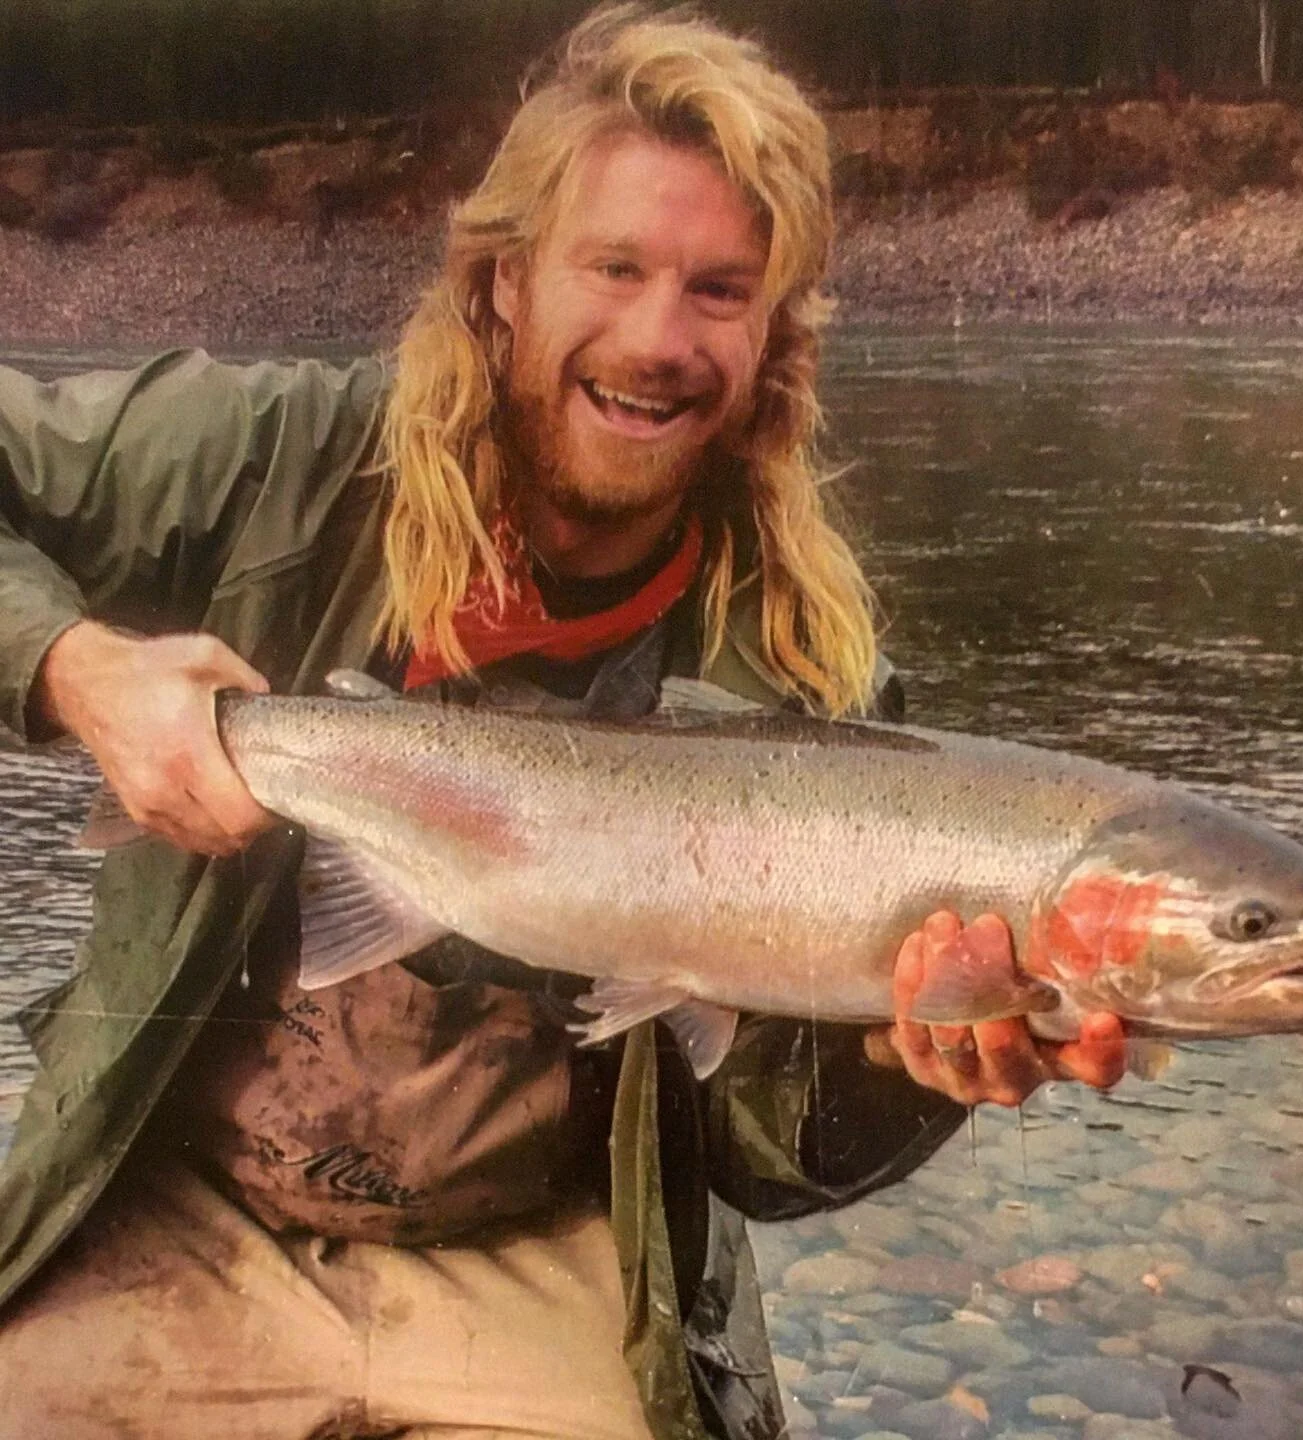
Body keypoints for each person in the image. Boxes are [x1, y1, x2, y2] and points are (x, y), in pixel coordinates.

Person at [0, 9, 1124, 1439]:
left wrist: (910, 1066)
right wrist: (73, 669)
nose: (658, 341)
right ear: (506, 278)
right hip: (178, 1212)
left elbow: (758, 1151)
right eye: (614, 268)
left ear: (776, 332)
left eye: (721, 290)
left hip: (546, 1256)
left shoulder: (812, 677)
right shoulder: (270, 462)